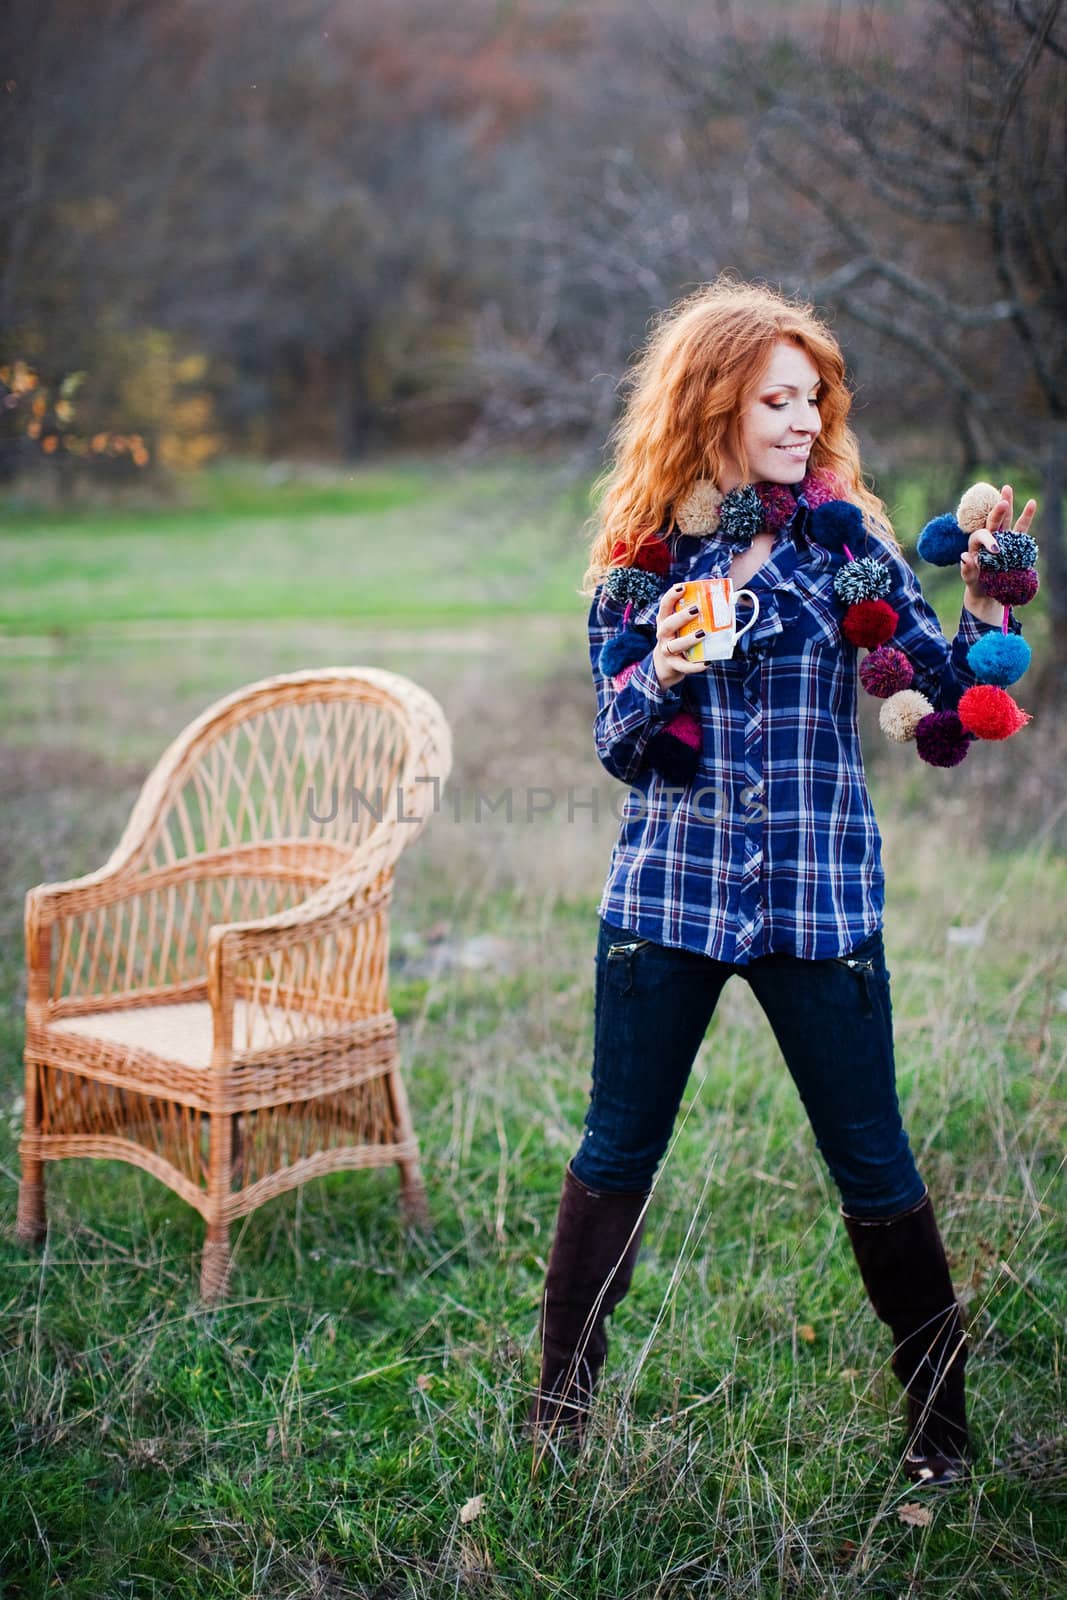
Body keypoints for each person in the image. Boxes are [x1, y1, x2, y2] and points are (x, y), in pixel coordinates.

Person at [529, 278, 1037, 1486]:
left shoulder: (850, 545)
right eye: (775, 399)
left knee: (873, 1164)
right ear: (712, 405)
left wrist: (980, 602)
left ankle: (940, 1436)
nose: (803, 419)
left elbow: (941, 706)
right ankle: (557, 1416)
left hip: (817, 902)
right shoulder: (638, 564)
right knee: (613, 1151)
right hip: (668, 901)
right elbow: (614, 740)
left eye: (813, 398)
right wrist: (654, 664)